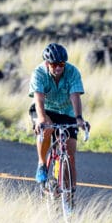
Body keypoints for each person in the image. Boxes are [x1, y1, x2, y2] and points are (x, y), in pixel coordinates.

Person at [29, 43, 89, 198]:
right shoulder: (39, 73)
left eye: (61, 64)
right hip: (44, 109)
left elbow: (74, 95)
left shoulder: (72, 71)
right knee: (47, 127)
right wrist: (41, 118)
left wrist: (79, 118)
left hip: (66, 111)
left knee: (70, 153)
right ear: (47, 63)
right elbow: (39, 98)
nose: (58, 68)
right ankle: (42, 163)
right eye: (54, 64)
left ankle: (68, 194)